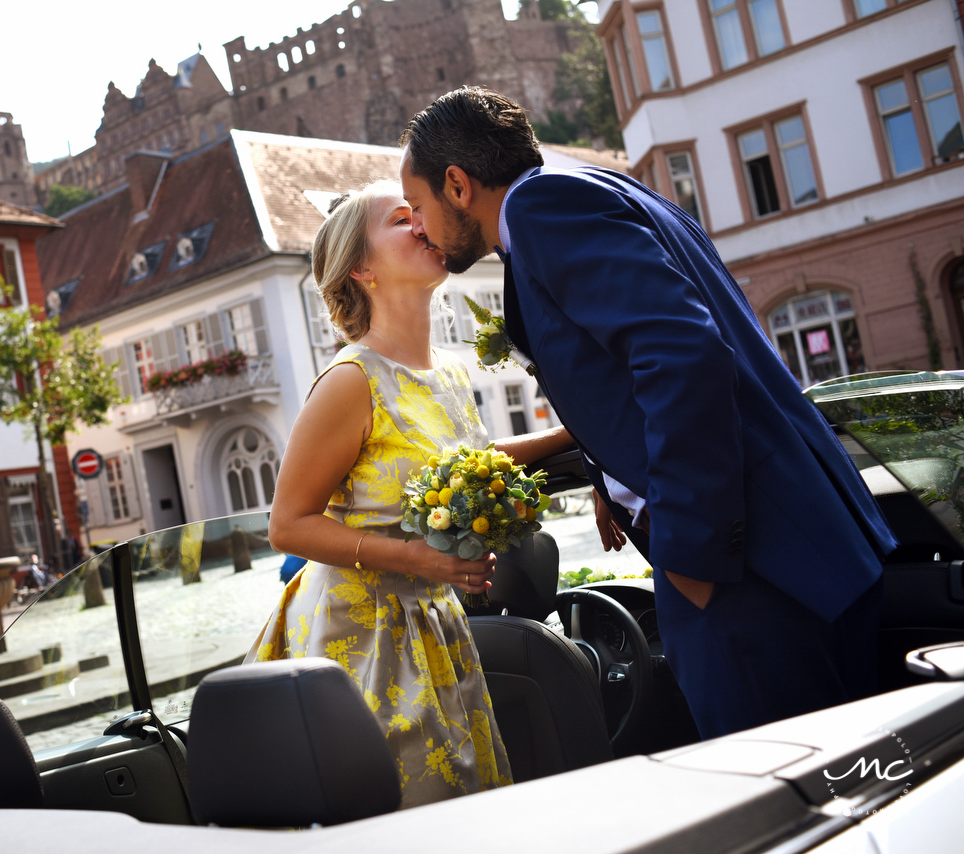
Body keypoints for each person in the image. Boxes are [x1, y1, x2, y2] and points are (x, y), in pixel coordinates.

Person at [397, 87, 897, 740]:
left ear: (457, 184)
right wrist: (612, 473)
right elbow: (628, 369)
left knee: (793, 804)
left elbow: (684, 355)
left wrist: (691, 557)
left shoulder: (546, 211)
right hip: (802, 543)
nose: (417, 226)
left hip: (744, 567)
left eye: (417, 206)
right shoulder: (608, 189)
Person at [251, 180, 573, 808]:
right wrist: (422, 560)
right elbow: (288, 525)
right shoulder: (350, 381)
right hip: (360, 635)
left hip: (434, 619)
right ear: (363, 269)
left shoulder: (449, 374)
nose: (425, 225)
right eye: (403, 219)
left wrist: (569, 438)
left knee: (462, 797)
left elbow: (471, 465)